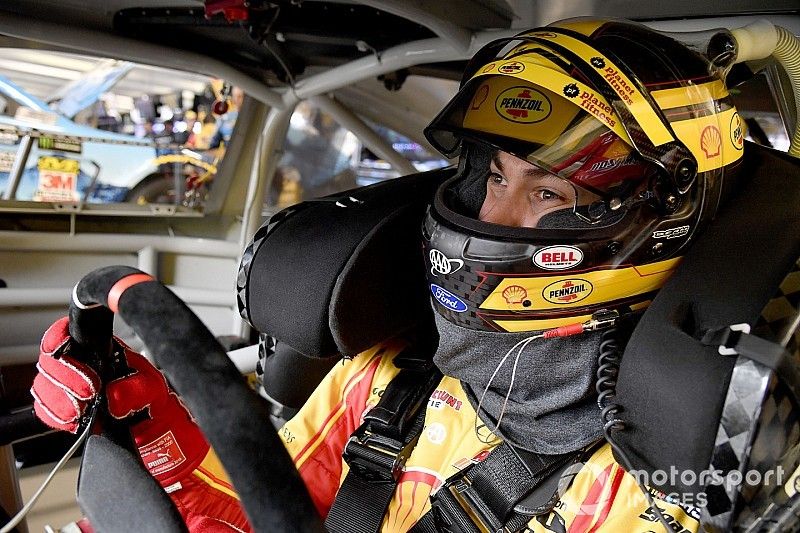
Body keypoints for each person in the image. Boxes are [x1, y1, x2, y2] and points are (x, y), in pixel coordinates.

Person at [29, 18, 744, 533]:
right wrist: (156, 435)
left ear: (652, 222)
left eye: (549, 193)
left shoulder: (662, 491)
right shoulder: (385, 378)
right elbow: (248, 512)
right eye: (494, 176)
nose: (493, 214)